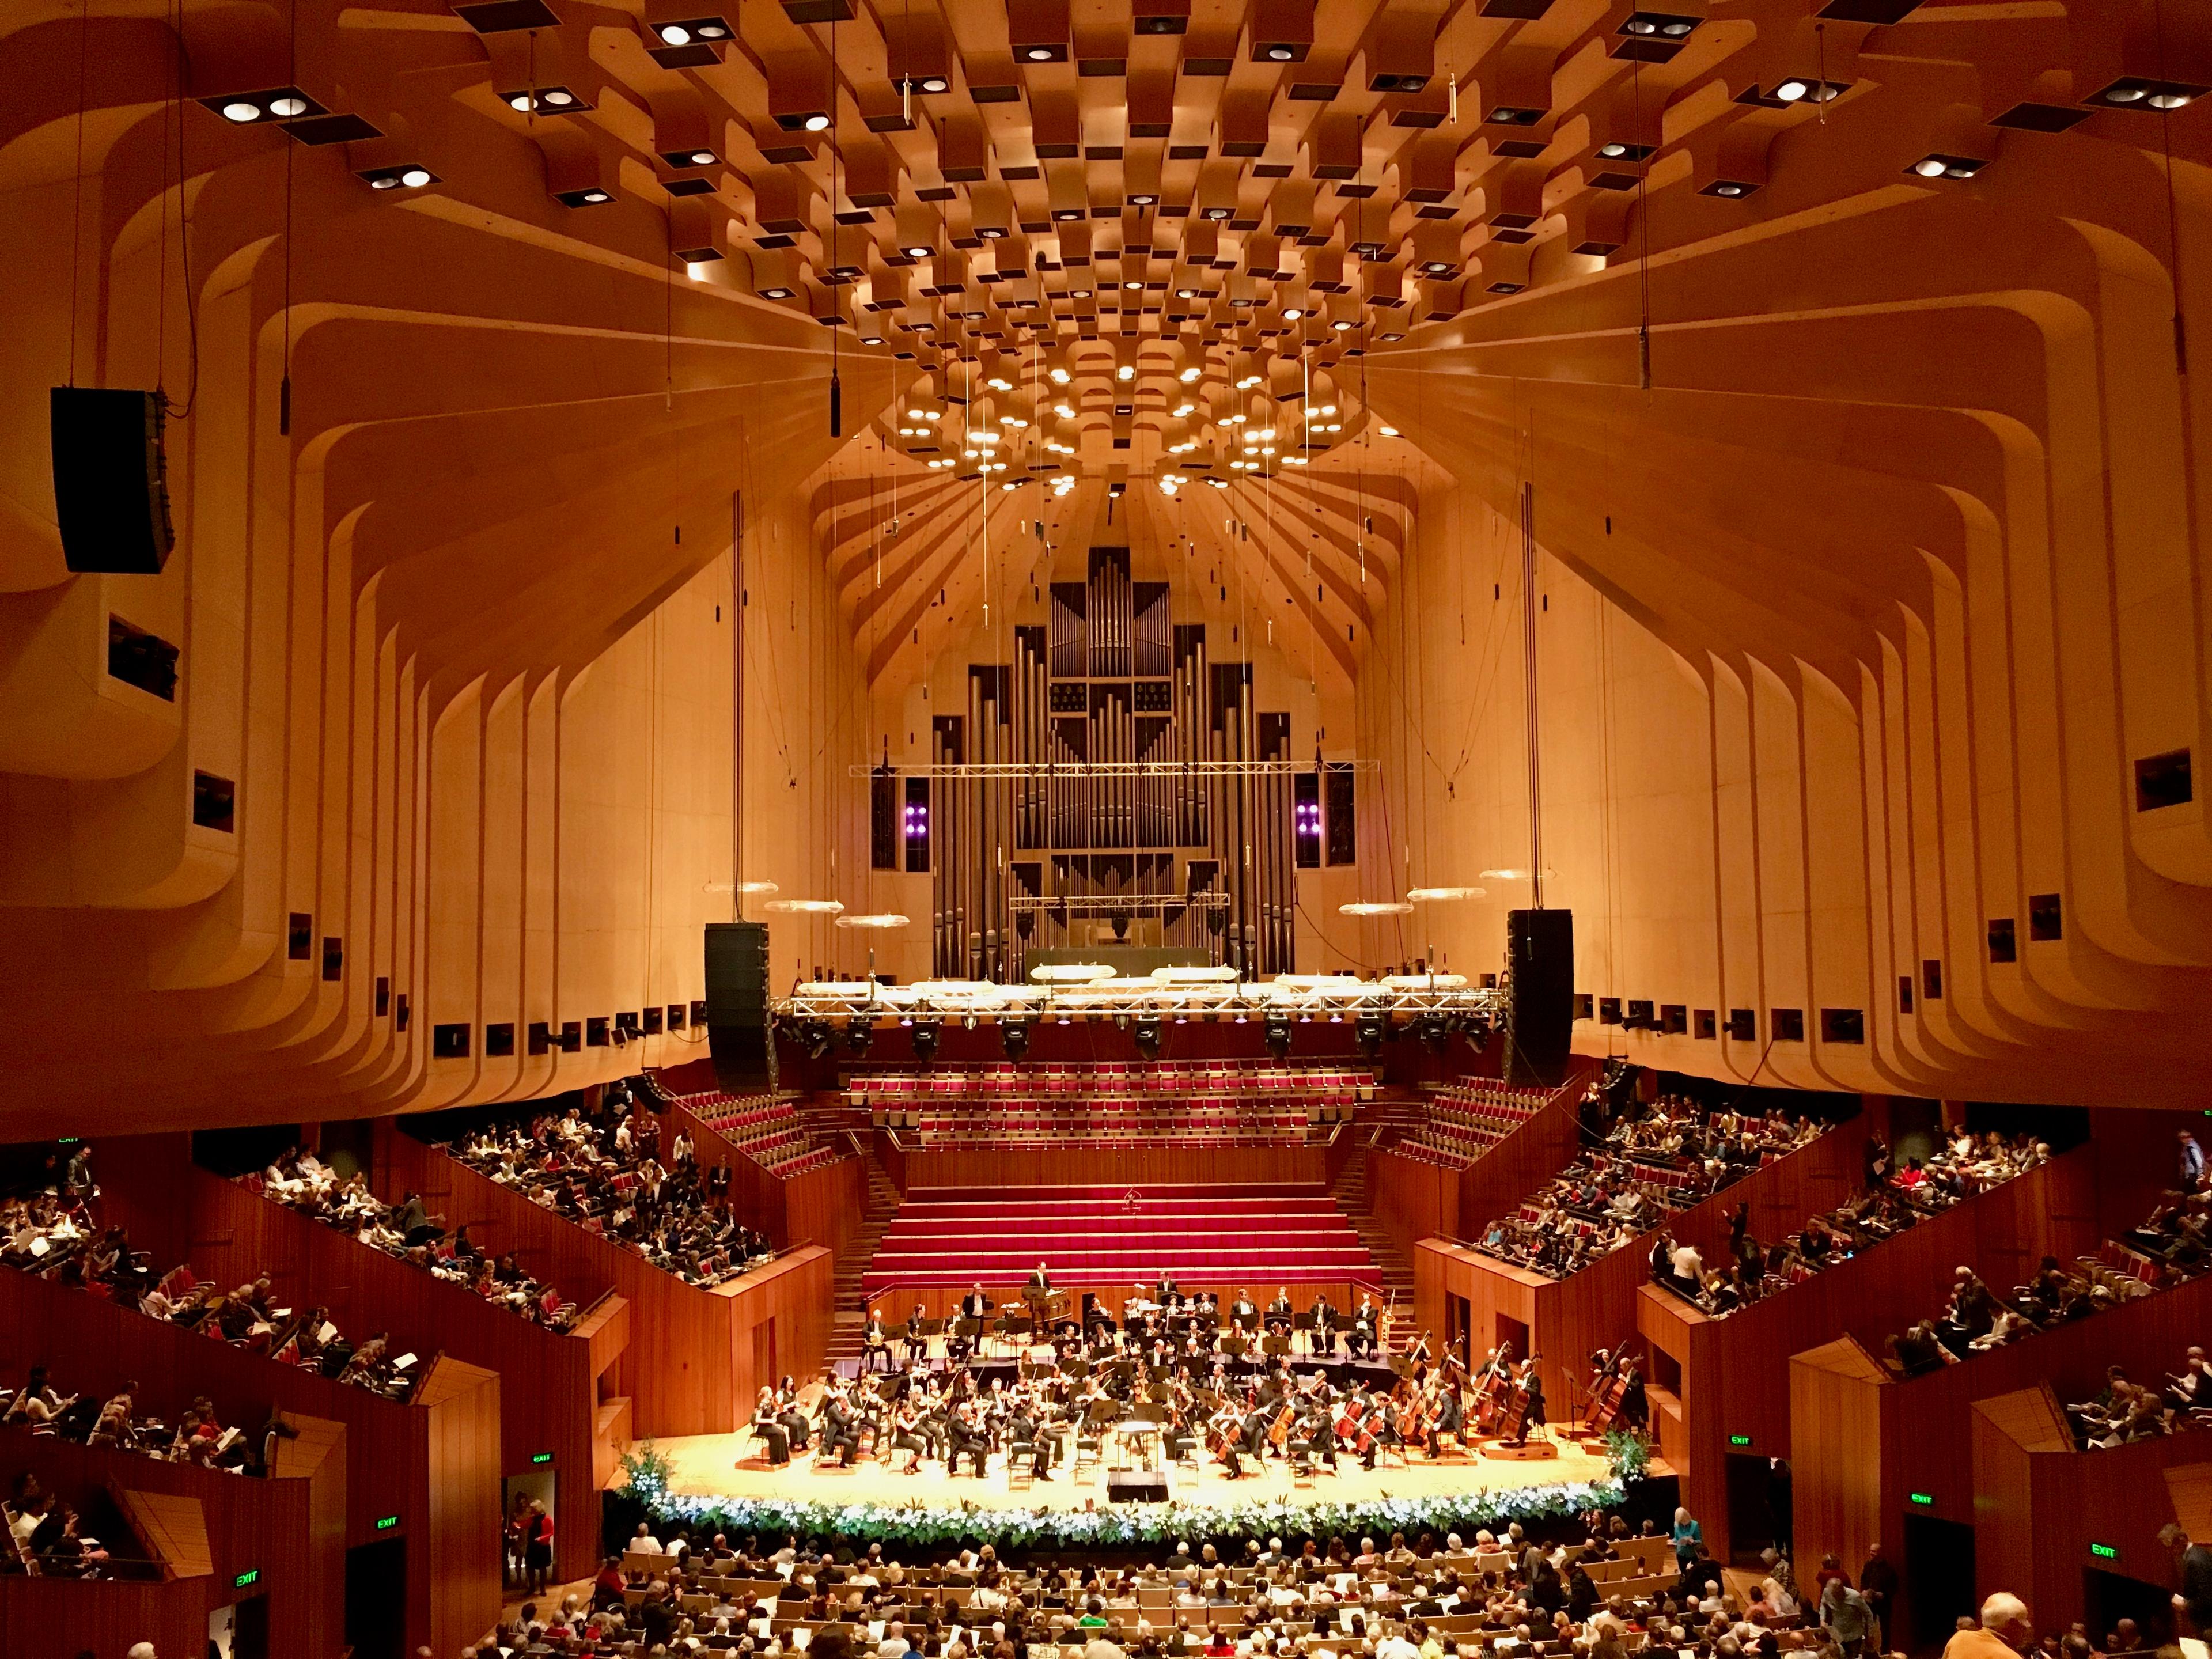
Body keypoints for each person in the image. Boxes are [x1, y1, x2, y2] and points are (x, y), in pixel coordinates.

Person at [1943, 1592, 2033, 1659]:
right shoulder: (2011, 1657)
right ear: (2012, 1624)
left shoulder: (1959, 1639)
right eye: (2024, 1619)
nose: (2028, 1625)